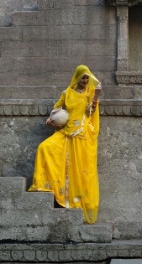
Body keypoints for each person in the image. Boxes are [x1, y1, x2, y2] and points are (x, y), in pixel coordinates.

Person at [28, 65, 102, 224]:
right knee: (44, 147)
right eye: (82, 77)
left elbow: (91, 112)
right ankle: (45, 187)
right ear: (77, 77)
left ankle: (76, 203)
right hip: (65, 132)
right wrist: (51, 120)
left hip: (81, 135)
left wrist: (96, 96)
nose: (85, 80)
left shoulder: (90, 94)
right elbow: (56, 110)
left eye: (87, 78)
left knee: (78, 170)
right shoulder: (67, 93)